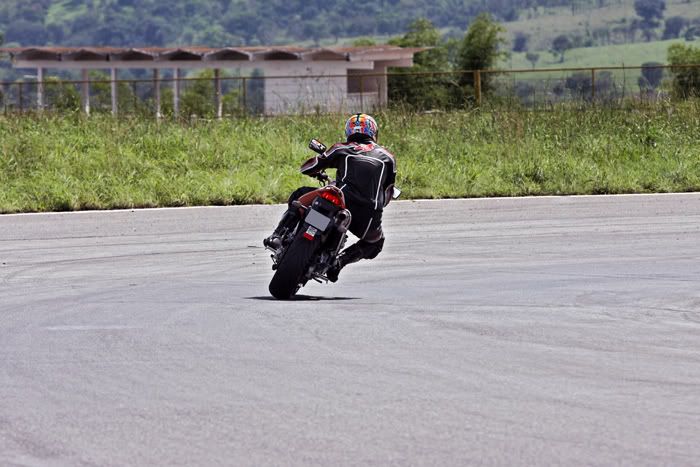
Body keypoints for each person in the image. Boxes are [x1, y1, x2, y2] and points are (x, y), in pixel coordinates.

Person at [264, 113, 397, 282]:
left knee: (300, 194)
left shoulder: (341, 148)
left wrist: (316, 170)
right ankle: (339, 263)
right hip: (366, 217)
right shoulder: (388, 157)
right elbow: (387, 194)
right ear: (374, 132)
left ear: (349, 131)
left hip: (340, 203)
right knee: (375, 243)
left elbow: (309, 167)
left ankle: (277, 236)